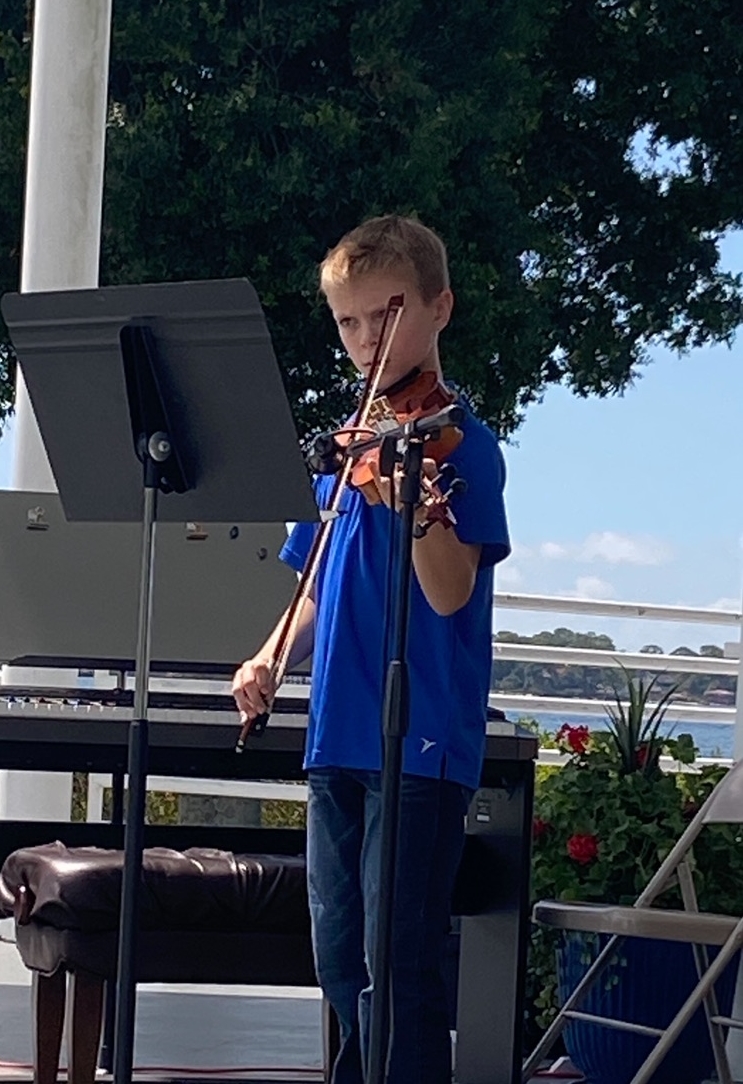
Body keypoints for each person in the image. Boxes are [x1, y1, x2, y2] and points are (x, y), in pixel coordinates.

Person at [232, 214, 510, 1084]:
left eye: (381, 316)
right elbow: (315, 583)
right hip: (336, 731)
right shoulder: (346, 448)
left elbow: (449, 592)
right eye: (346, 321)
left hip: (417, 738)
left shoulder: (462, 445)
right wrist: (270, 656)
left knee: (399, 963)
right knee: (340, 959)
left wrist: (415, 509)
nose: (361, 340)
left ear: (439, 308)